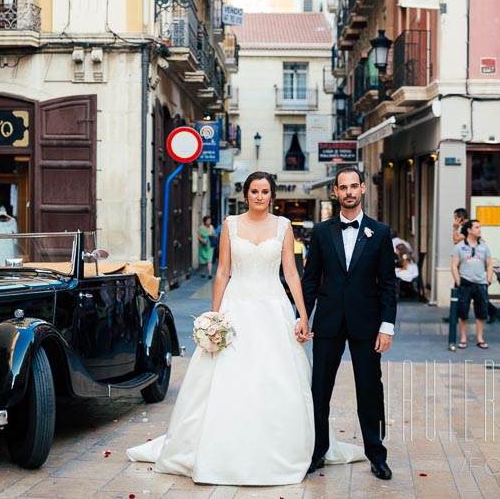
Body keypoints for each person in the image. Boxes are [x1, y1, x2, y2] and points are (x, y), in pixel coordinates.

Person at [127, 172, 362, 484]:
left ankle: (284, 447)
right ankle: (220, 447)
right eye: (254, 191)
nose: (260, 196)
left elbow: (292, 274)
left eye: (265, 191)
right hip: (235, 309)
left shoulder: (283, 226)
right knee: (227, 376)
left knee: (277, 377)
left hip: (273, 308)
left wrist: (303, 316)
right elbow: (222, 272)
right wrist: (214, 315)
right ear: (246, 194)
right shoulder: (230, 224)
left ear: (272, 196)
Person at [301, 167, 398, 481]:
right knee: (320, 390)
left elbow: (388, 284)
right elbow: (310, 280)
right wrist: (302, 317)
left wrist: (387, 327)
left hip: (367, 324)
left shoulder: (380, 233)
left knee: (369, 390)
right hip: (328, 322)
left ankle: (376, 454)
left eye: (353, 186)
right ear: (335, 192)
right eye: (343, 187)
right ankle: (318, 452)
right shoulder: (320, 231)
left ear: (363, 189)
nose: (349, 192)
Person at [451, 220, 492, 349]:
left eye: (480, 227)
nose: (479, 230)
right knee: (462, 311)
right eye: (477, 227)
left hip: (480, 283)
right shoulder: (459, 247)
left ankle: (480, 338)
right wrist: (458, 280)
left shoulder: (484, 247)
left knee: (481, 311)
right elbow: (454, 265)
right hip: (465, 282)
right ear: (469, 230)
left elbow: (489, 264)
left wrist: (488, 279)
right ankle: (463, 338)